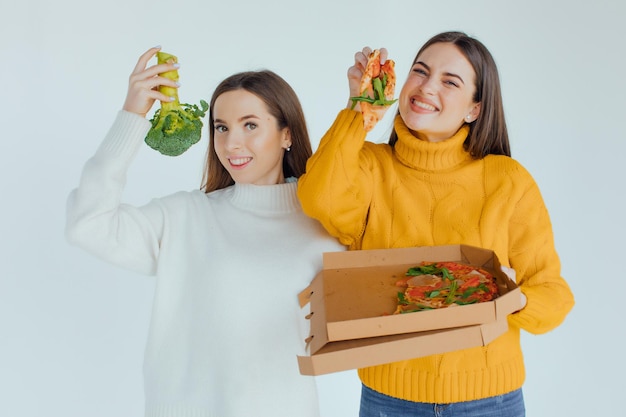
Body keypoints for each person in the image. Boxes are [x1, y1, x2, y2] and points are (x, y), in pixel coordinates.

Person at [297, 31, 575, 416]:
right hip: (389, 399)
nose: (427, 87)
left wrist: (511, 299)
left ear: (474, 109)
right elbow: (318, 196)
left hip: (490, 401)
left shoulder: (508, 180)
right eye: (420, 71)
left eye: (450, 81)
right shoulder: (371, 167)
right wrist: (360, 107)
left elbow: (554, 294)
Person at [65, 46, 345, 417]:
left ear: (286, 134)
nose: (231, 144)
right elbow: (88, 224)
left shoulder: (327, 226)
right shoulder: (186, 216)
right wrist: (132, 115)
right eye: (221, 127)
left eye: (250, 125)